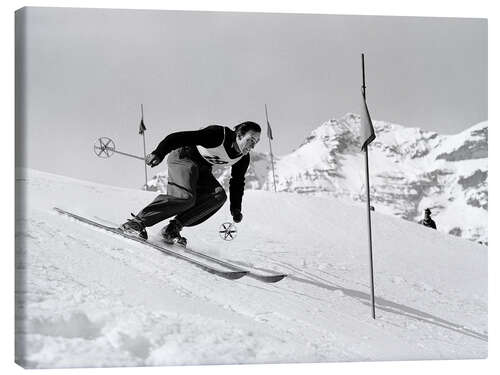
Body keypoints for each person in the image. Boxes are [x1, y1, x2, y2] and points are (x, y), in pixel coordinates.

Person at [119, 121, 262, 246]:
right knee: (185, 198)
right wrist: (159, 153)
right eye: (251, 140)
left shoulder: (243, 158)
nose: (253, 145)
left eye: (256, 142)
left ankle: (172, 229)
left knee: (218, 196)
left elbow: (237, 182)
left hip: (202, 169)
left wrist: (235, 209)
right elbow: (177, 137)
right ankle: (137, 222)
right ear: (239, 135)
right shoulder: (218, 135)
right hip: (183, 157)